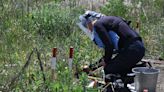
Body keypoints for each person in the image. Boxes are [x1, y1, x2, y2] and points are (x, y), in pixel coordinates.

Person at [77, 11, 145, 77]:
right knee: (112, 65)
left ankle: (139, 71)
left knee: (108, 69)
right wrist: (92, 67)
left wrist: (106, 62)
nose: (89, 29)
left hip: (132, 50)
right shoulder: (109, 21)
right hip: (139, 49)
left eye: (86, 26)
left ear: (89, 22)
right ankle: (138, 68)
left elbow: (109, 46)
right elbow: (111, 51)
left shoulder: (98, 24)